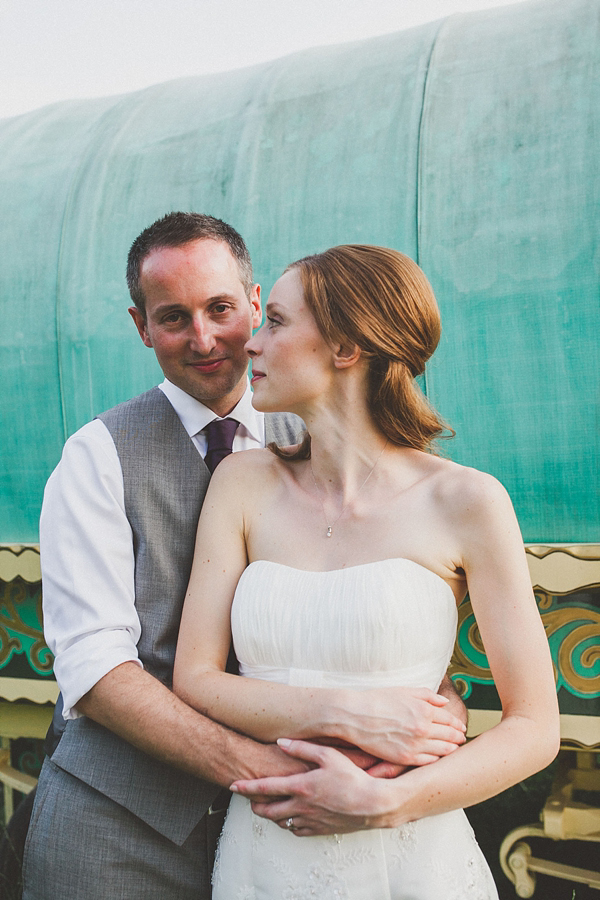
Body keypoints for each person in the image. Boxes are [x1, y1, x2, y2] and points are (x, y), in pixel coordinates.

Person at [22, 217, 467, 900]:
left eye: (221, 309)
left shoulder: (322, 441)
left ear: (257, 305)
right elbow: (97, 669)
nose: (204, 339)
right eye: (173, 318)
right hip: (120, 826)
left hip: (297, 831)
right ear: (142, 327)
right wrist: (279, 778)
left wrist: (432, 704)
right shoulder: (97, 456)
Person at [173, 244, 560, 899]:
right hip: (265, 857)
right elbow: (196, 680)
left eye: (277, 323)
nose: (250, 345)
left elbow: (534, 728)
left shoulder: (467, 502)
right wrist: (345, 712)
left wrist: (388, 804)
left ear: (346, 346)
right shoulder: (241, 483)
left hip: (411, 856)